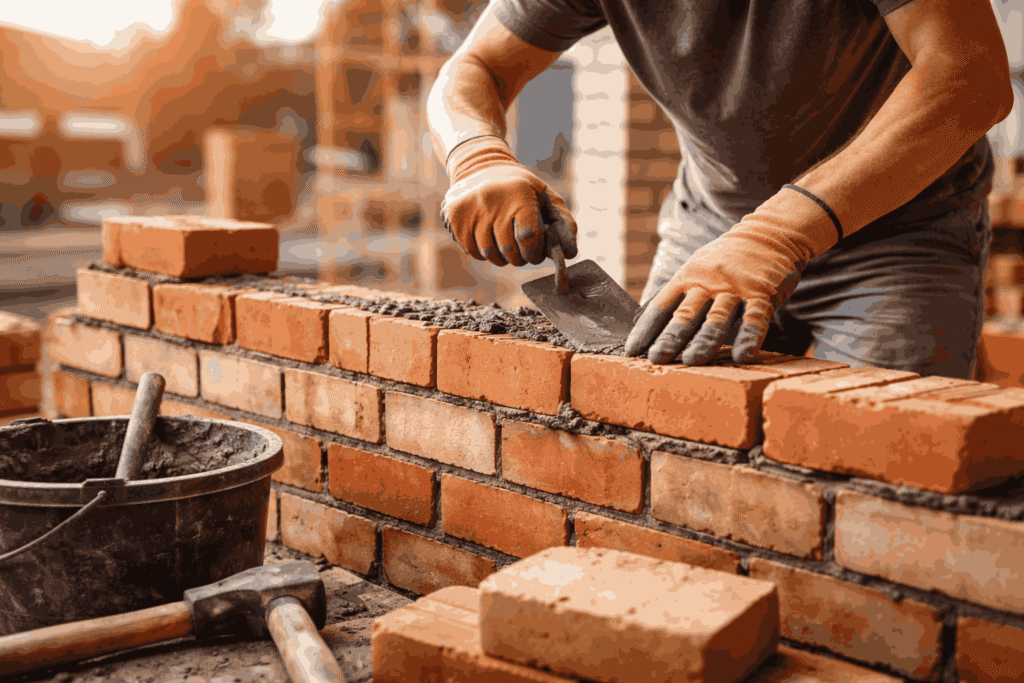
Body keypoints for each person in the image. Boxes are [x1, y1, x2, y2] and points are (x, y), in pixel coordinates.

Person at [426, 0, 1013, 378]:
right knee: (662, 426)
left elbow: (968, 76)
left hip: (900, 233)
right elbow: (474, 67)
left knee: (884, 471)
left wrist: (775, 235)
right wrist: (476, 156)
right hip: (714, 227)